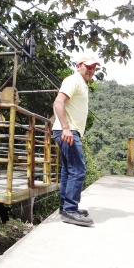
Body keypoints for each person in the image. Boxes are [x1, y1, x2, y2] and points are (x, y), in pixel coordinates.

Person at [52, 55, 100, 226]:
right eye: (88, 66)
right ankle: (70, 210)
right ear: (78, 65)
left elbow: (58, 104)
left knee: (69, 170)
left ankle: (66, 207)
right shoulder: (73, 80)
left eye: (94, 67)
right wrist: (66, 127)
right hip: (68, 131)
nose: (92, 70)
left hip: (68, 131)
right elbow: (58, 103)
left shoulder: (81, 82)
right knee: (78, 170)